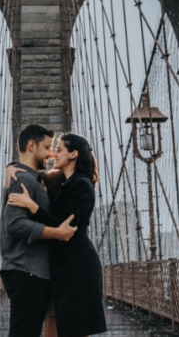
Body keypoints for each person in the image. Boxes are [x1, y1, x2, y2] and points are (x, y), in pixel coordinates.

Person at [7, 133, 108, 337]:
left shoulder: (82, 185)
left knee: (73, 331)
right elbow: (31, 173)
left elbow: (62, 229)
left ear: (73, 154)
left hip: (78, 267)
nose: (53, 153)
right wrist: (11, 167)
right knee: (54, 330)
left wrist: (32, 206)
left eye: (59, 149)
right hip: (60, 267)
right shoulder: (58, 181)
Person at [0, 124, 78, 337]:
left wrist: (11, 165)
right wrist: (56, 233)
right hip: (26, 271)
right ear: (31, 146)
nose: (51, 154)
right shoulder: (22, 179)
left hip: (31, 271)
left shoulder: (31, 178)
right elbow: (14, 224)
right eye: (46, 147)